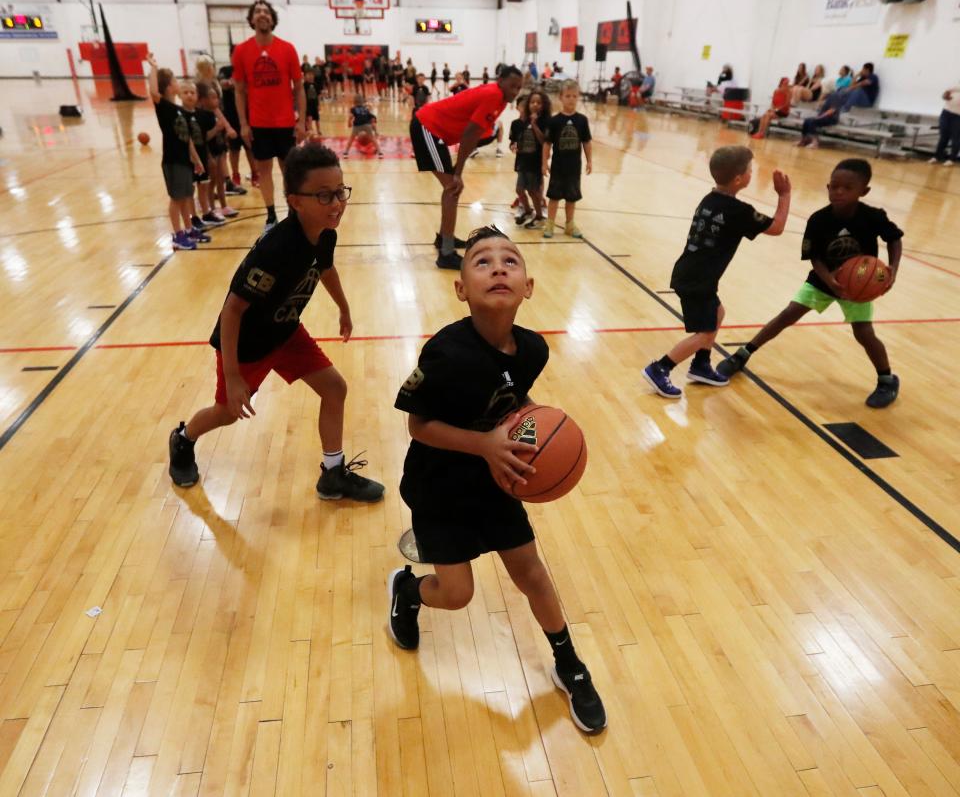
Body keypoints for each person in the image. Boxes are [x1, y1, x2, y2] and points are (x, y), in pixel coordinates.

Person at [387, 225, 607, 735]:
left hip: (497, 480)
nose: (498, 267)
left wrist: (538, 423)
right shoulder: (444, 353)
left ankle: (569, 662)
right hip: (440, 485)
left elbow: (515, 401)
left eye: (510, 260)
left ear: (528, 286)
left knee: (531, 572)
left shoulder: (532, 349)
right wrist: (484, 444)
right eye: (481, 261)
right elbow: (418, 426)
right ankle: (409, 589)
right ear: (461, 288)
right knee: (457, 593)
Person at [168, 142, 386, 500]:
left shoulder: (325, 232)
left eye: (339, 193)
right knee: (225, 413)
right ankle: (183, 438)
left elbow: (325, 267)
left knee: (334, 388)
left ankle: (332, 474)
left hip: (286, 333)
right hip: (248, 346)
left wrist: (344, 308)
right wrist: (235, 377)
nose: (336, 204)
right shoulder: (276, 249)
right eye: (324, 196)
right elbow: (233, 310)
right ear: (295, 200)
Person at [718, 158, 902, 408]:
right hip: (823, 279)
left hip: (857, 287)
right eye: (833, 186)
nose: (838, 192)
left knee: (864, 333)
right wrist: (830, 280)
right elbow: (815, 257)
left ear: (864, 192)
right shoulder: (818, 219)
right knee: (787, 315)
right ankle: (743, 354)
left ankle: (886, 379)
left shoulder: (873, 217)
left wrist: (893, 269)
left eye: (847, 188)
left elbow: (894, 239)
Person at [642, 147, 790, 398]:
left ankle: (701, 365)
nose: (752, 173)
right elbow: (776, 228)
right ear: (739, 179)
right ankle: (660, 369)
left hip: (692, 273)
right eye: (750, 170)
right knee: (705, 333)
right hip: (698, 279)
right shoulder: (739, 212)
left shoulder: (709, 199)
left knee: (718, 313)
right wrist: (784, 195)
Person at [410, 65, 524, 269]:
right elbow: (470, 133)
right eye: (512, 86)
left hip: (436, 131)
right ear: (501, 80)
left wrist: (457, 170)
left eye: (519, 88)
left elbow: (475, 134)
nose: (515, 91)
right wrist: (458, 172)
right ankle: (446, 252)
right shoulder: (493, 95)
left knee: (452, 189)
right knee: (453, 187)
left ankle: (445, 239)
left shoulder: (500, 99)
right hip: (427, 126)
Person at [232, 0, 306, 231]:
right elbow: (239, 90)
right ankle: (271, 215)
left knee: (288, 171)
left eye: (266, 11)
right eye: (257, 11)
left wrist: (301, 121)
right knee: (263, 171)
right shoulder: (242, 51)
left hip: (285, 123)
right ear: (252, 19)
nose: (262, 14)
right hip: (259, 124)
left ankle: (293, 213)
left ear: (273, 19)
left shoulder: (287, 49)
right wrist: (243, 123)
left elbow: (299, 87)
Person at [147, 53, 204, 251]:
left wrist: (196, 160)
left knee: (187, 196)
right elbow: (153, 91)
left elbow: (187, 138)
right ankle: (177, 235)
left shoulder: (177, 109)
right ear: (169, 86)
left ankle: (188, 230)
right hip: (172, 160)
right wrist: (153, 67)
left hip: (184, 160)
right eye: (174, 80)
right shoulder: (163, 106)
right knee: (177, 199)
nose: (177, 82)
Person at [542, 80, 592, 239]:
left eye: (574, 96)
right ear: (560, 98)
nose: (571, 99)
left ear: (578, 98)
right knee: (554, 197)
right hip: (558, 166)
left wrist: (590, 160)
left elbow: (586, 142)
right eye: (568, 96)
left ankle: (569, 224)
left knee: (572, 198)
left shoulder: (582, 120)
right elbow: (547, 144)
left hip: (574, 167)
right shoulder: (554, 120)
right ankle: (550, 223)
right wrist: (544, 163)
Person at [179, 81, 215, 238]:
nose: (189, 95)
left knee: (204, 185)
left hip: (202, 154)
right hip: (188, 158)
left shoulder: (201, 115)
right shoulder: (180, 115)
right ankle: (193, 217)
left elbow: (206, 137)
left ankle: (206, 212)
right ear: (179, 95)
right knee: (191, 189)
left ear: (197, 96)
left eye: (192, 92)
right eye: (185, 92)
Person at [196, 80, 236, 222]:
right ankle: (212, 209)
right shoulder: (202, 116)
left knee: (220, 180)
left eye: (217, 97)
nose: (216, 100)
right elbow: (204, 137)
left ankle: (224, 206)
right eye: (212, 98)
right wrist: (217, 129)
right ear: (203, 100)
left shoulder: (214, 113)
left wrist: (224, 135)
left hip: (219, 150)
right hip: (211, 153)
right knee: (212, 182)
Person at [509, 90, 549, 228]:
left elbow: (544, 141)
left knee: (533, 191)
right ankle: (527, 210)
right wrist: (513, 145)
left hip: (535, 162)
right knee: (519, 189)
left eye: (538, 103)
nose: (535, 105)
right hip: (522, 162)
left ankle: (539, 216)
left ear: (543, 105)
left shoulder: (544, 122)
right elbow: (514, 141)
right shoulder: (519, 123)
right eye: (532, 102)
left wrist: (535, 125)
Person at [217, 65, 252, 194]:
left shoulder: (246, 68)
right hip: (231, 116)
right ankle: (235, 175)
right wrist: (234, 83)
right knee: (234, 149)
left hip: (248, 115)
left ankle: (255, 174)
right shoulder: (225, 70)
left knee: (250, 148)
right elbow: (223, 83)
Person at [342, 94, 383, 159]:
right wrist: (375, 131)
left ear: (354, 102)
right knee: (373, 139)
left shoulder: (353, 109)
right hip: (367, 125)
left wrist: (349, 123)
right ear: (362, 102)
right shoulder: (365, 109)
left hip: (357, 125)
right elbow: (371, 117)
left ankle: (346, 153)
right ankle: (380, 153)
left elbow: (350, 117)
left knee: (351, 139)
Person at [929, 83, 960, 166]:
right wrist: (946, 96)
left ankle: (952, 159)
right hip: (946, 113)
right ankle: (937, 156)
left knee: (955, 138)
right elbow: (944, 95)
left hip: (958, 116)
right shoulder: (954, 86)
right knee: (943, 136)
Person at [303, 68, 321, 138]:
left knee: (317, 118)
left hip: (315, 104)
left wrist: (319, 105)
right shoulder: (304, 85)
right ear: (305, 76)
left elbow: (318, 95)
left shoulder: (316, 85)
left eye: (311, 75)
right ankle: (310, 130)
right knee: (309, 117)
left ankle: (318, 130)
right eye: (308, 75)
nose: (310, 76)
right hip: (308, 105)